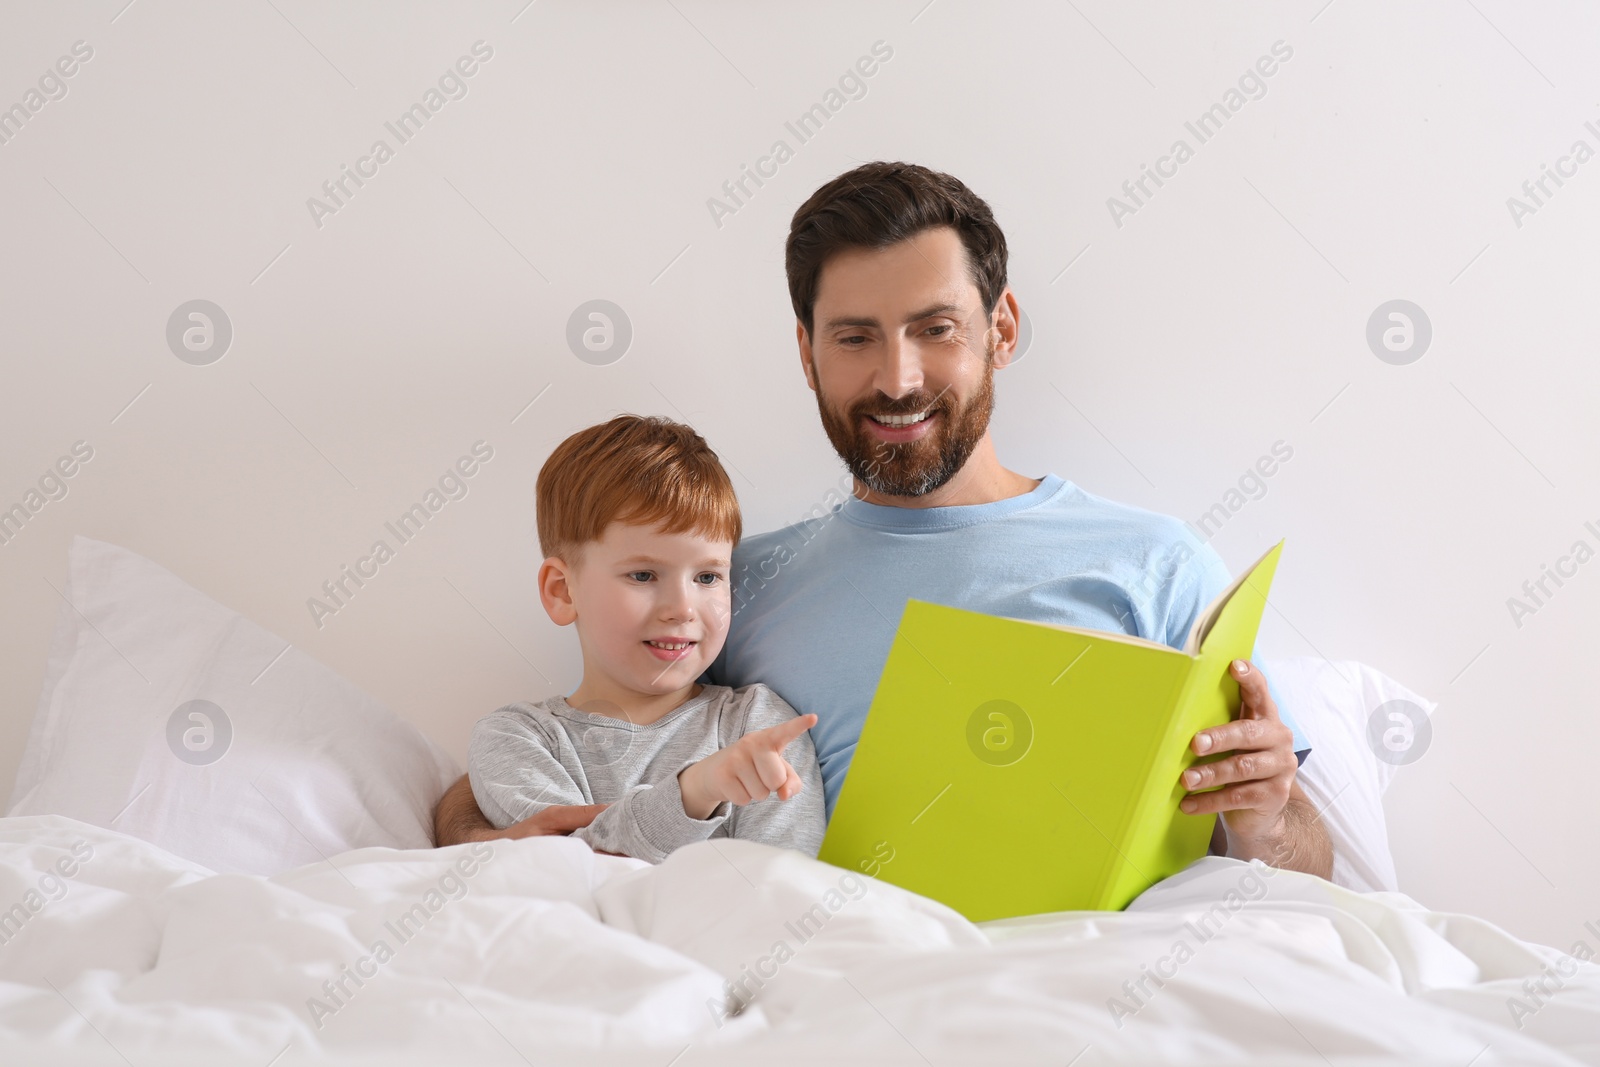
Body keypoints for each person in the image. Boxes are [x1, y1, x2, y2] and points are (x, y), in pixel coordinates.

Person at [436, 161, 1331, 880]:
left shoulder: (1155, 561)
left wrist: (1266, 818)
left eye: (936, 328)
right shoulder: (727, 585)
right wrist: (484, 845)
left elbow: (1309, 860)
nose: (897, 378)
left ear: (1002, 327)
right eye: (855, 337)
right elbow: (562, 761)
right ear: (807, 352)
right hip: (834, 981)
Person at [460, 414, 825, 862]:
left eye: (708, 576)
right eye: (644, 575)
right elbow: (567, 866)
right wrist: (695, 790)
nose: (683, 608)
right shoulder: (518, 738)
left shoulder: (758, 727)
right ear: (562, 591)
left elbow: (781, 887)